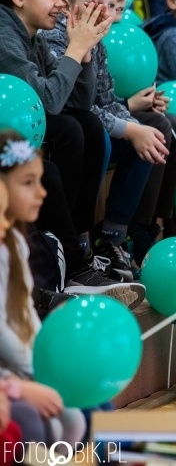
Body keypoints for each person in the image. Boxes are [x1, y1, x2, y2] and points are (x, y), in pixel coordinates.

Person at [41, 0, 167, 282]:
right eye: (95, 4)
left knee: (151, 133)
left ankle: (114, 238)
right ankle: (80, 241)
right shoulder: (56, 38)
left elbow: (106, 99)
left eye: (111, 5)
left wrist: (137, 129)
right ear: (68, 6)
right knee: (93, 130)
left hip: (87, 123)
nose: (106, 14)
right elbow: (74, 106)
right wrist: (130, 129)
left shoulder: (97, 40)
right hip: (67, 129)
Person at [0, 0, 122, 282]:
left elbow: (79, 102)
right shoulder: (3, 35)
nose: (60, 4)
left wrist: (82, 55)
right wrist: (75, 48)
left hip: (20, 129)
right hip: (9, 136)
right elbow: (50, 104)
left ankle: (79, 240)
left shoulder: (33, 36)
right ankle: (70, 260)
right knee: (63, 139)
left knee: (89, 125)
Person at [82, 0, 176, 264]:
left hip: (107, 116)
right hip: (88, 128)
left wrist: (135, 111)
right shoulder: (81, 37)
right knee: (157, 127)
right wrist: (132, 114)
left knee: (171, 125)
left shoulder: (103, 39)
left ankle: (152, 223)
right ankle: (126, 230)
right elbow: (85, 106)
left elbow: (105, 97)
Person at [0, 130, 86, 446]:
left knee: (84, 411)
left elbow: (24, 316)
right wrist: (30, 379)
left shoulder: (16, 244)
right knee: (34, 426)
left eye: (39, 180)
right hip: (7, 378)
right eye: (28, 183)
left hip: (15, 370)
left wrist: (47, 366)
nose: (42, 193)